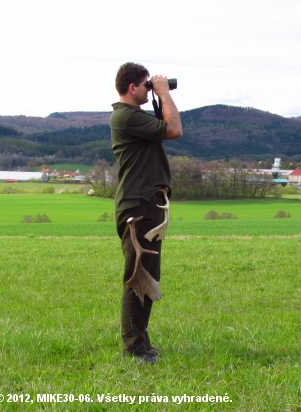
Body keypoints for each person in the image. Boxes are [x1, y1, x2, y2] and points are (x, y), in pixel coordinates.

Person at [110, 62, 182, 364]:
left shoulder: (132, 117)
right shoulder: (126, 116)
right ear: (132, 88)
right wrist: (164, 93)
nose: (149, 88)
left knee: (147, 276)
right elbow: (174, 129)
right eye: (146, 84)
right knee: (137, 276)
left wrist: (157, 95)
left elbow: (164, 129)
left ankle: (141, 343)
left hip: (144, 205)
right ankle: (134, 350)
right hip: (139, 208)